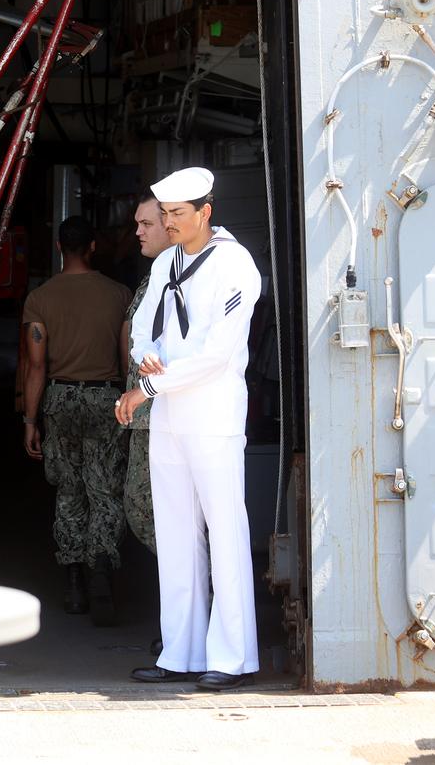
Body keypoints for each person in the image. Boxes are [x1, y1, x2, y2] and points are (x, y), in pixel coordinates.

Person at [117, 167, 262, 691]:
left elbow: (216, 355)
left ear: (206, 212)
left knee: (225, 533)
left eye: (178, 214)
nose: (169, 224)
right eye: (166, 215)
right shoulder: (167, 263)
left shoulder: (234, 266)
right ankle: (181, 651)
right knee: (177, 536)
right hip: (170, 417)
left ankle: (234, 657)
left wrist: (147, 388)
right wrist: (145, 359)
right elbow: (142, 326)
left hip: (212, 414)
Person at [20, 215, 134, 625]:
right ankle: (101, 574)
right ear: (92, 247)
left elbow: (35, 368)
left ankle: (72, 585)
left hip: (60, 397)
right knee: (105, 491)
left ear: (58, 248)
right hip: (107, 398)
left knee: (69, 490)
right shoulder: (120, 295)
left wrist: (30, 421)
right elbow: (127, 362)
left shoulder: (41, 298)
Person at [121, 195, 172, 555]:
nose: (137, 232)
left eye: (147, 224)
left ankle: (202, 586)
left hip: (163, 412)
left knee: (144, 506)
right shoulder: (159, 274)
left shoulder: (179, 279)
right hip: (146, 414)